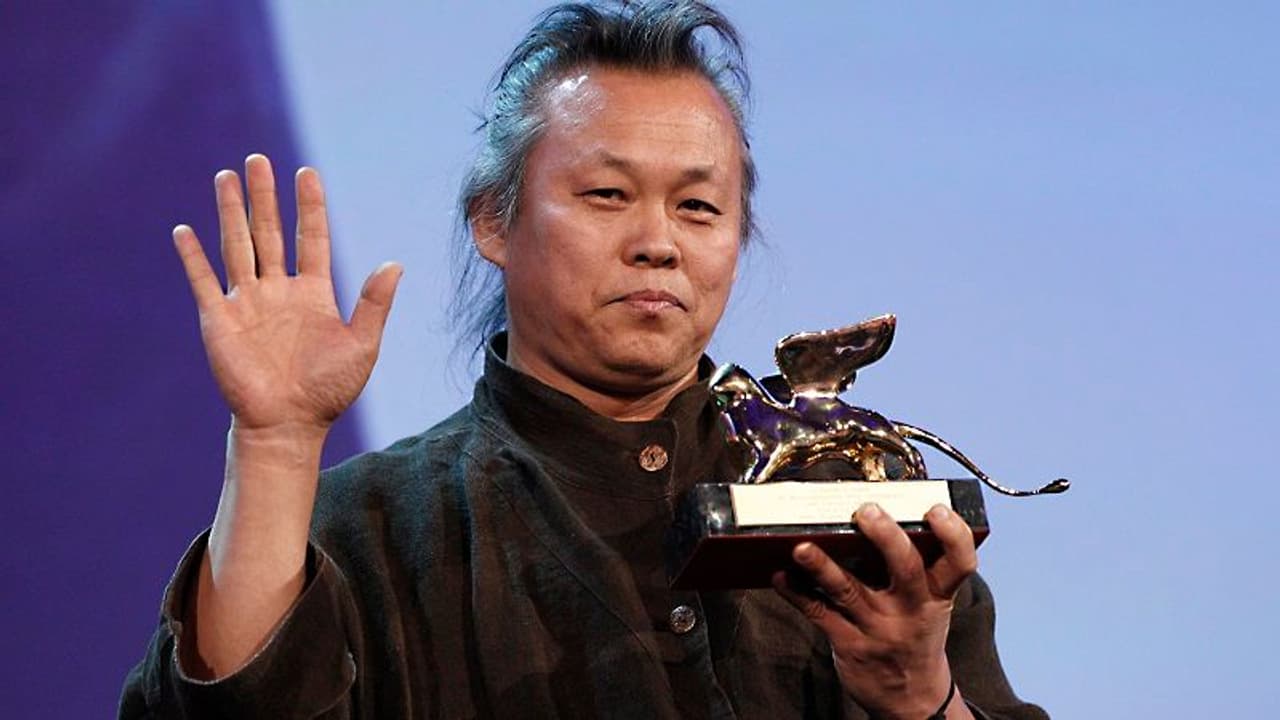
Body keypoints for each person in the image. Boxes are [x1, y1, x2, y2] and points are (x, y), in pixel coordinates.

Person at [120, 2, 1048, 718]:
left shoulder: (853, 509)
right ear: (494, 221)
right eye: (607, 194)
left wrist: (920, 696)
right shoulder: (368, 531)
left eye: (699, 208)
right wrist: (277, 445)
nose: (658, 243)